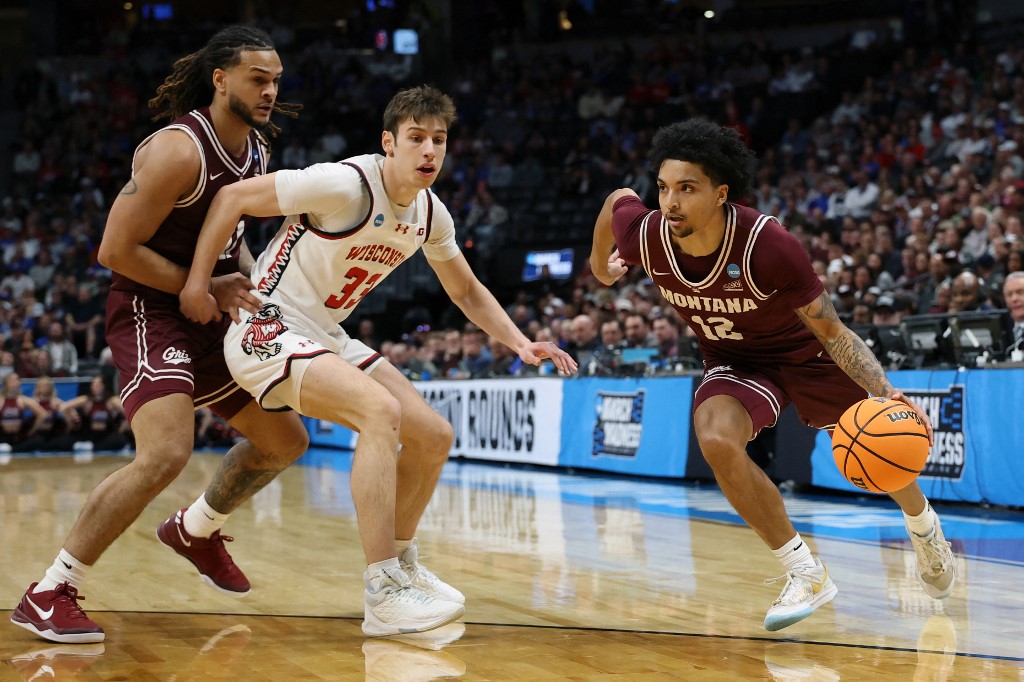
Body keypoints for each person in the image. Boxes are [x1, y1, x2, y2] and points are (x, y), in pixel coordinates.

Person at [178, 85, 578, 636]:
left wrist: (520, 341)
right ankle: (381, 589)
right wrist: (200, 284)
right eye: (416, 138)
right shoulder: (344, 183)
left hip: (324, 333)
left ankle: (402, 565)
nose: (429, 151)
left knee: (433, 435)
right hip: (265, 327)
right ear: (388, 142)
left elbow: (464, 290)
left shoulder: (431, 212)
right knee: (379, 412)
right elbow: (232, 200)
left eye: (439, 139)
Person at [589, 118, 955, 632]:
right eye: (665, 187)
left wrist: (887, 392)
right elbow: (618, 199)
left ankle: (923, 526)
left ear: (721, 193)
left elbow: (832, 330)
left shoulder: (770, 245)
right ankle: (805, 571)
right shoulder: (646, 235)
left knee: (880, 449)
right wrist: (601, 268)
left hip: (804, 353)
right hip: (733, 359)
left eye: (687, 189)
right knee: (715, 438)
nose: (670, 202)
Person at [11, 26, 310, 645]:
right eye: (259, 78)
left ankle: (195, 530)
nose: (271, 91)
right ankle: (48, 591)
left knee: (285, 440)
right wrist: (203, 286)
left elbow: (231, 238)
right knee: (167, 452)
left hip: (208, 307)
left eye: (276, 80)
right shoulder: (180, 151)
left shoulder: (255, 150)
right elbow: (113, 251)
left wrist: (254, 288)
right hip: (151, 308)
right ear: (220, 78)